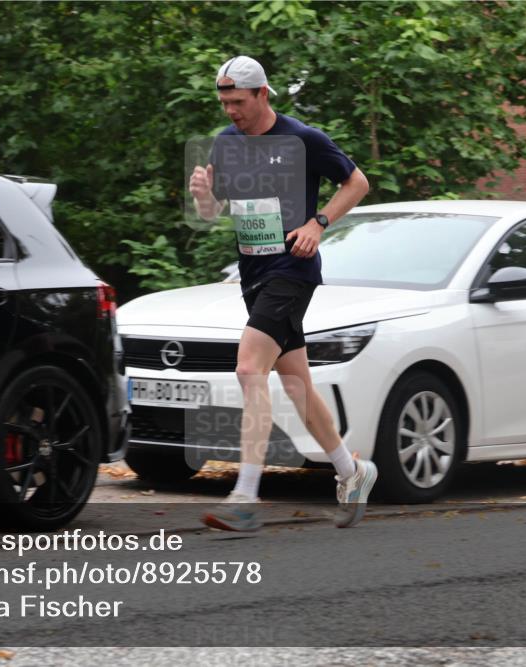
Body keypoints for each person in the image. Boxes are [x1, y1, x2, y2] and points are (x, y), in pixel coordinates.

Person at [190, 55, 376, 531]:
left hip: (291, 269)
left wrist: (319, 223)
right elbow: (215, 212)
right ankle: (352, 474)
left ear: (263, 94)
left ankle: (246, 495)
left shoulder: (303, 139)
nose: (230, 111)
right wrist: (203, 196)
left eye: (238, 102)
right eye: (224, 103)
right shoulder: (226, 143)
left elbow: (357, 182)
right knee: (296, 383)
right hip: (253, 273)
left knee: (250, 368)